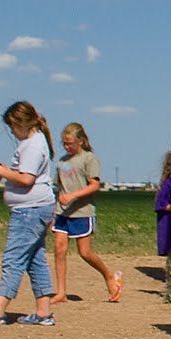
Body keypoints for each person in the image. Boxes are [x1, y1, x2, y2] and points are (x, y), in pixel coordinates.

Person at [0, 100, 59, 327]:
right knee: (35, 260)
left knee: (14, 259)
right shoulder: (36, 141)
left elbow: (26, 179)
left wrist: (3, 172)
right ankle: (43, 312)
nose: (11, 132)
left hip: (29, 210)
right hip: (37, 207)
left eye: (12, 127)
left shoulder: (32, 145)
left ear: (22, 123)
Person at [51, 122, 121, 303]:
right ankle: (61, 292)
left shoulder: (89, 159)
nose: (67, 147)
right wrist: (53, 212)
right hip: (62, 213)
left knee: (85, 252)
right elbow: (58, 187)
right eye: (64, 144)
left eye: (70, 143)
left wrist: (73, 195)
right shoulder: (62, 162)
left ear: (80, 141)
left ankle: (108, 276)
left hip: (82, 212)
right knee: (59, 249)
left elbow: (94, 185)